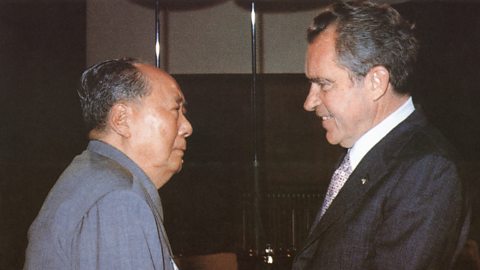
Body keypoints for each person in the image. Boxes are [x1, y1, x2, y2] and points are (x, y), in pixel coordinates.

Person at [292, 1, 470, 269]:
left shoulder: (427, 171)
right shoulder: (364, 152)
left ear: (376, 82)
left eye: (324, 84)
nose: (309, 102)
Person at [24, 58, 192, 269]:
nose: (187, 127)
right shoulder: (119, 199)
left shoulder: (96, 180)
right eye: (176, 110)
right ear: (121, 119)